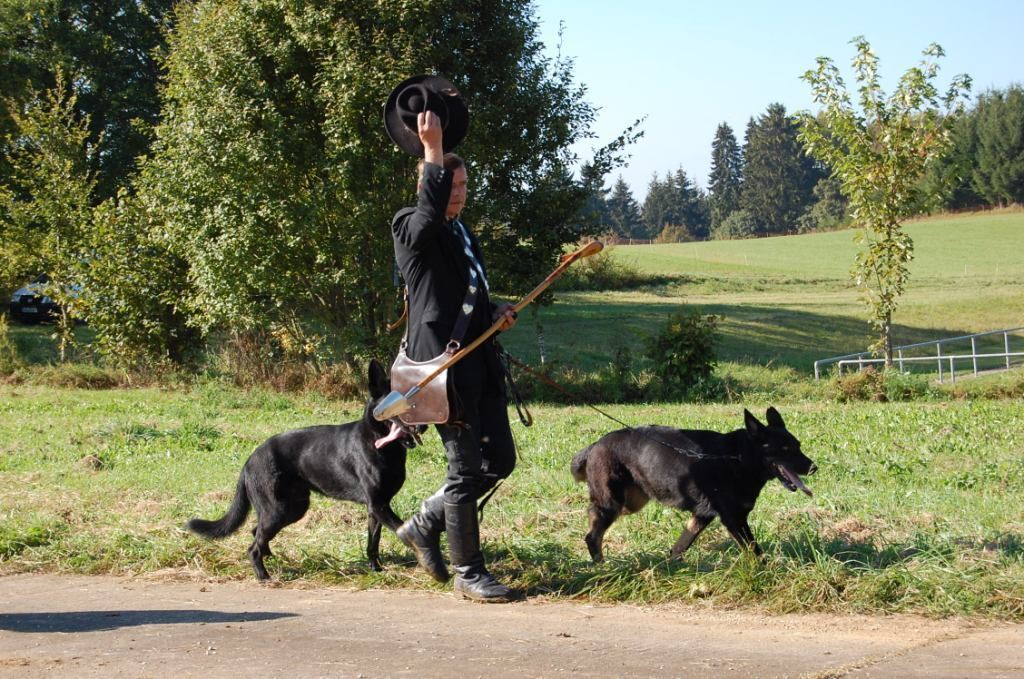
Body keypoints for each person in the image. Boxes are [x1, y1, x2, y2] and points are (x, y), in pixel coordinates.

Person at [390, 109, 519, 603]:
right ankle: (469, 572)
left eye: (464, 184)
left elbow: (460, 295)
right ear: (431, 182)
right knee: (464, 469)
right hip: (440, 369)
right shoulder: (409, 226)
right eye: (450, 184)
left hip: (478, 360)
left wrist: (494, 309)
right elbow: (426, 219)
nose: (458, 193)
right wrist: (431, 151)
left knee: (499, 460)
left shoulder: (463, 232)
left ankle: (424, 524)